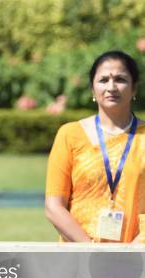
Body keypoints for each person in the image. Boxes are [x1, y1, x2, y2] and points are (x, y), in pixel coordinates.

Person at [45, 51, 143, 243]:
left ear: (134, 89)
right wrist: (91, 250)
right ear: (92, 89)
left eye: (121, 79)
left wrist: (132, 252)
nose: (111, 87)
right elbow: (54, 206)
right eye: (103, 80)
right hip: (79, 255)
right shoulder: (70, 135)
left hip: (137, 255)